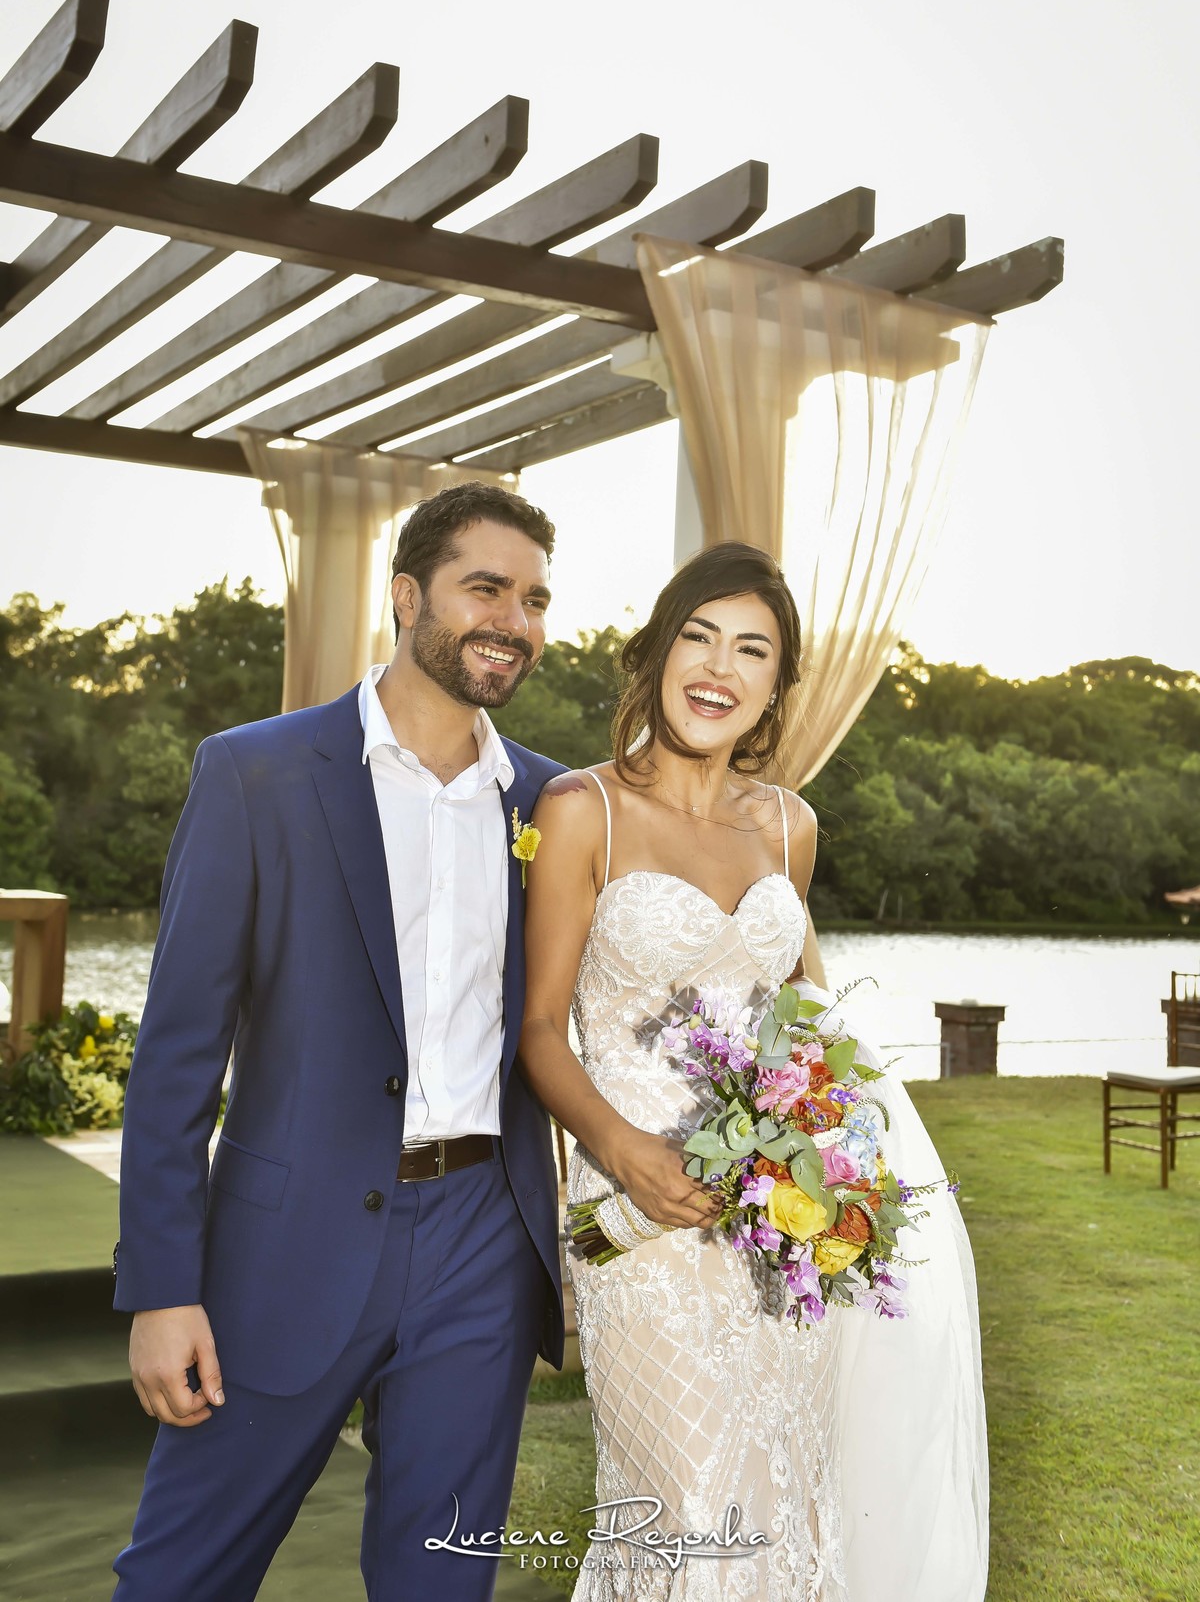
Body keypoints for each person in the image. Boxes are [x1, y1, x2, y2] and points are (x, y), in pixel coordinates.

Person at [111, 483, 565, 1602]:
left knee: (438, 1586)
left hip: (483, 1250)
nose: (514, 619)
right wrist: (162, 1287)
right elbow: (176, 1057)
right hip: (284, 1242)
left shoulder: (556, 805)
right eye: (485, 587)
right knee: (180, 1575)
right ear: (408, 595)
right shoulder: (255, 772)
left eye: (537, 598)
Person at [519, 541, 988, 1601]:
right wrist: (623, 1149)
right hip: (639, 1215)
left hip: (773, 1228)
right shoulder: (580, 809)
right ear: (655, 649)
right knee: (689, 1508)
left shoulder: (790, 824)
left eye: (751, 650)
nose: (717, 667)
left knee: (785, 1497)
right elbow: (541, 1028)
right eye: (698, 635)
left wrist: (827, 1158)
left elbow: (806, 1019)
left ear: (775, 687)